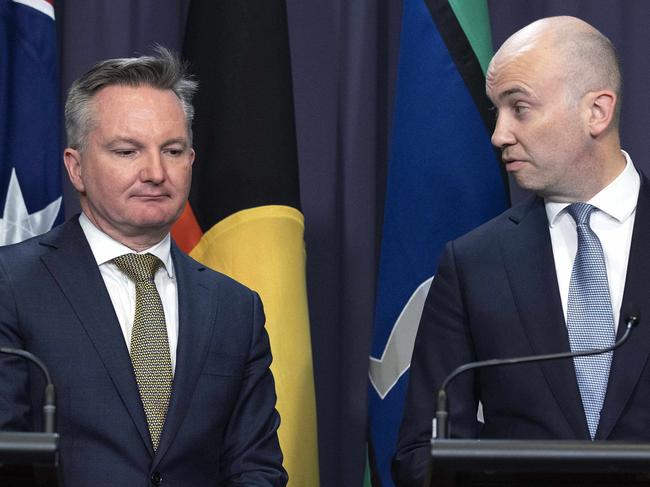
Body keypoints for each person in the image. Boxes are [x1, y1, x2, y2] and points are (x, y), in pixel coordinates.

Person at [0, 48, 287, 486]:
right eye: (127, 151)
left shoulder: (235, 308)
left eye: (172, 150)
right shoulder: (12, 286)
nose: (155, 172)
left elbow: (255, 467)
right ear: (76, 168)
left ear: (191, 161)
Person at [393, 16, 650, 486]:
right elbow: (421, 451)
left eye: (520, 108)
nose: (499, 135)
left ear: (597, 111)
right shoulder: (472, 263)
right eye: (496, 112)